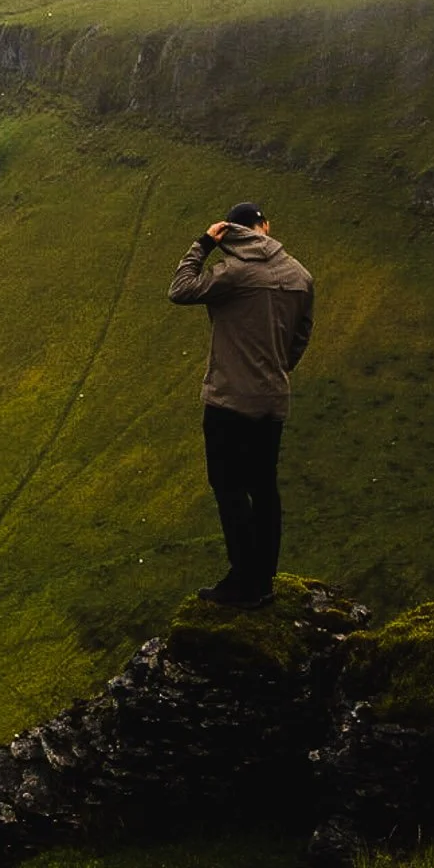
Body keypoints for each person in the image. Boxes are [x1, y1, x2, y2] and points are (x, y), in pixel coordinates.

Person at [167, 201, 314, 606]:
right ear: (265, 226)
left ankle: (242, 579)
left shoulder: (232, 273)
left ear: (230, 230)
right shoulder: (300, 275)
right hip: (273, 400)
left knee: (228, 486)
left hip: (229, 399)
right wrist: (278, 369)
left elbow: (180, 289)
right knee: (264, 487)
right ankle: (263, 578)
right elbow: (302, 334)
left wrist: (203, 244)